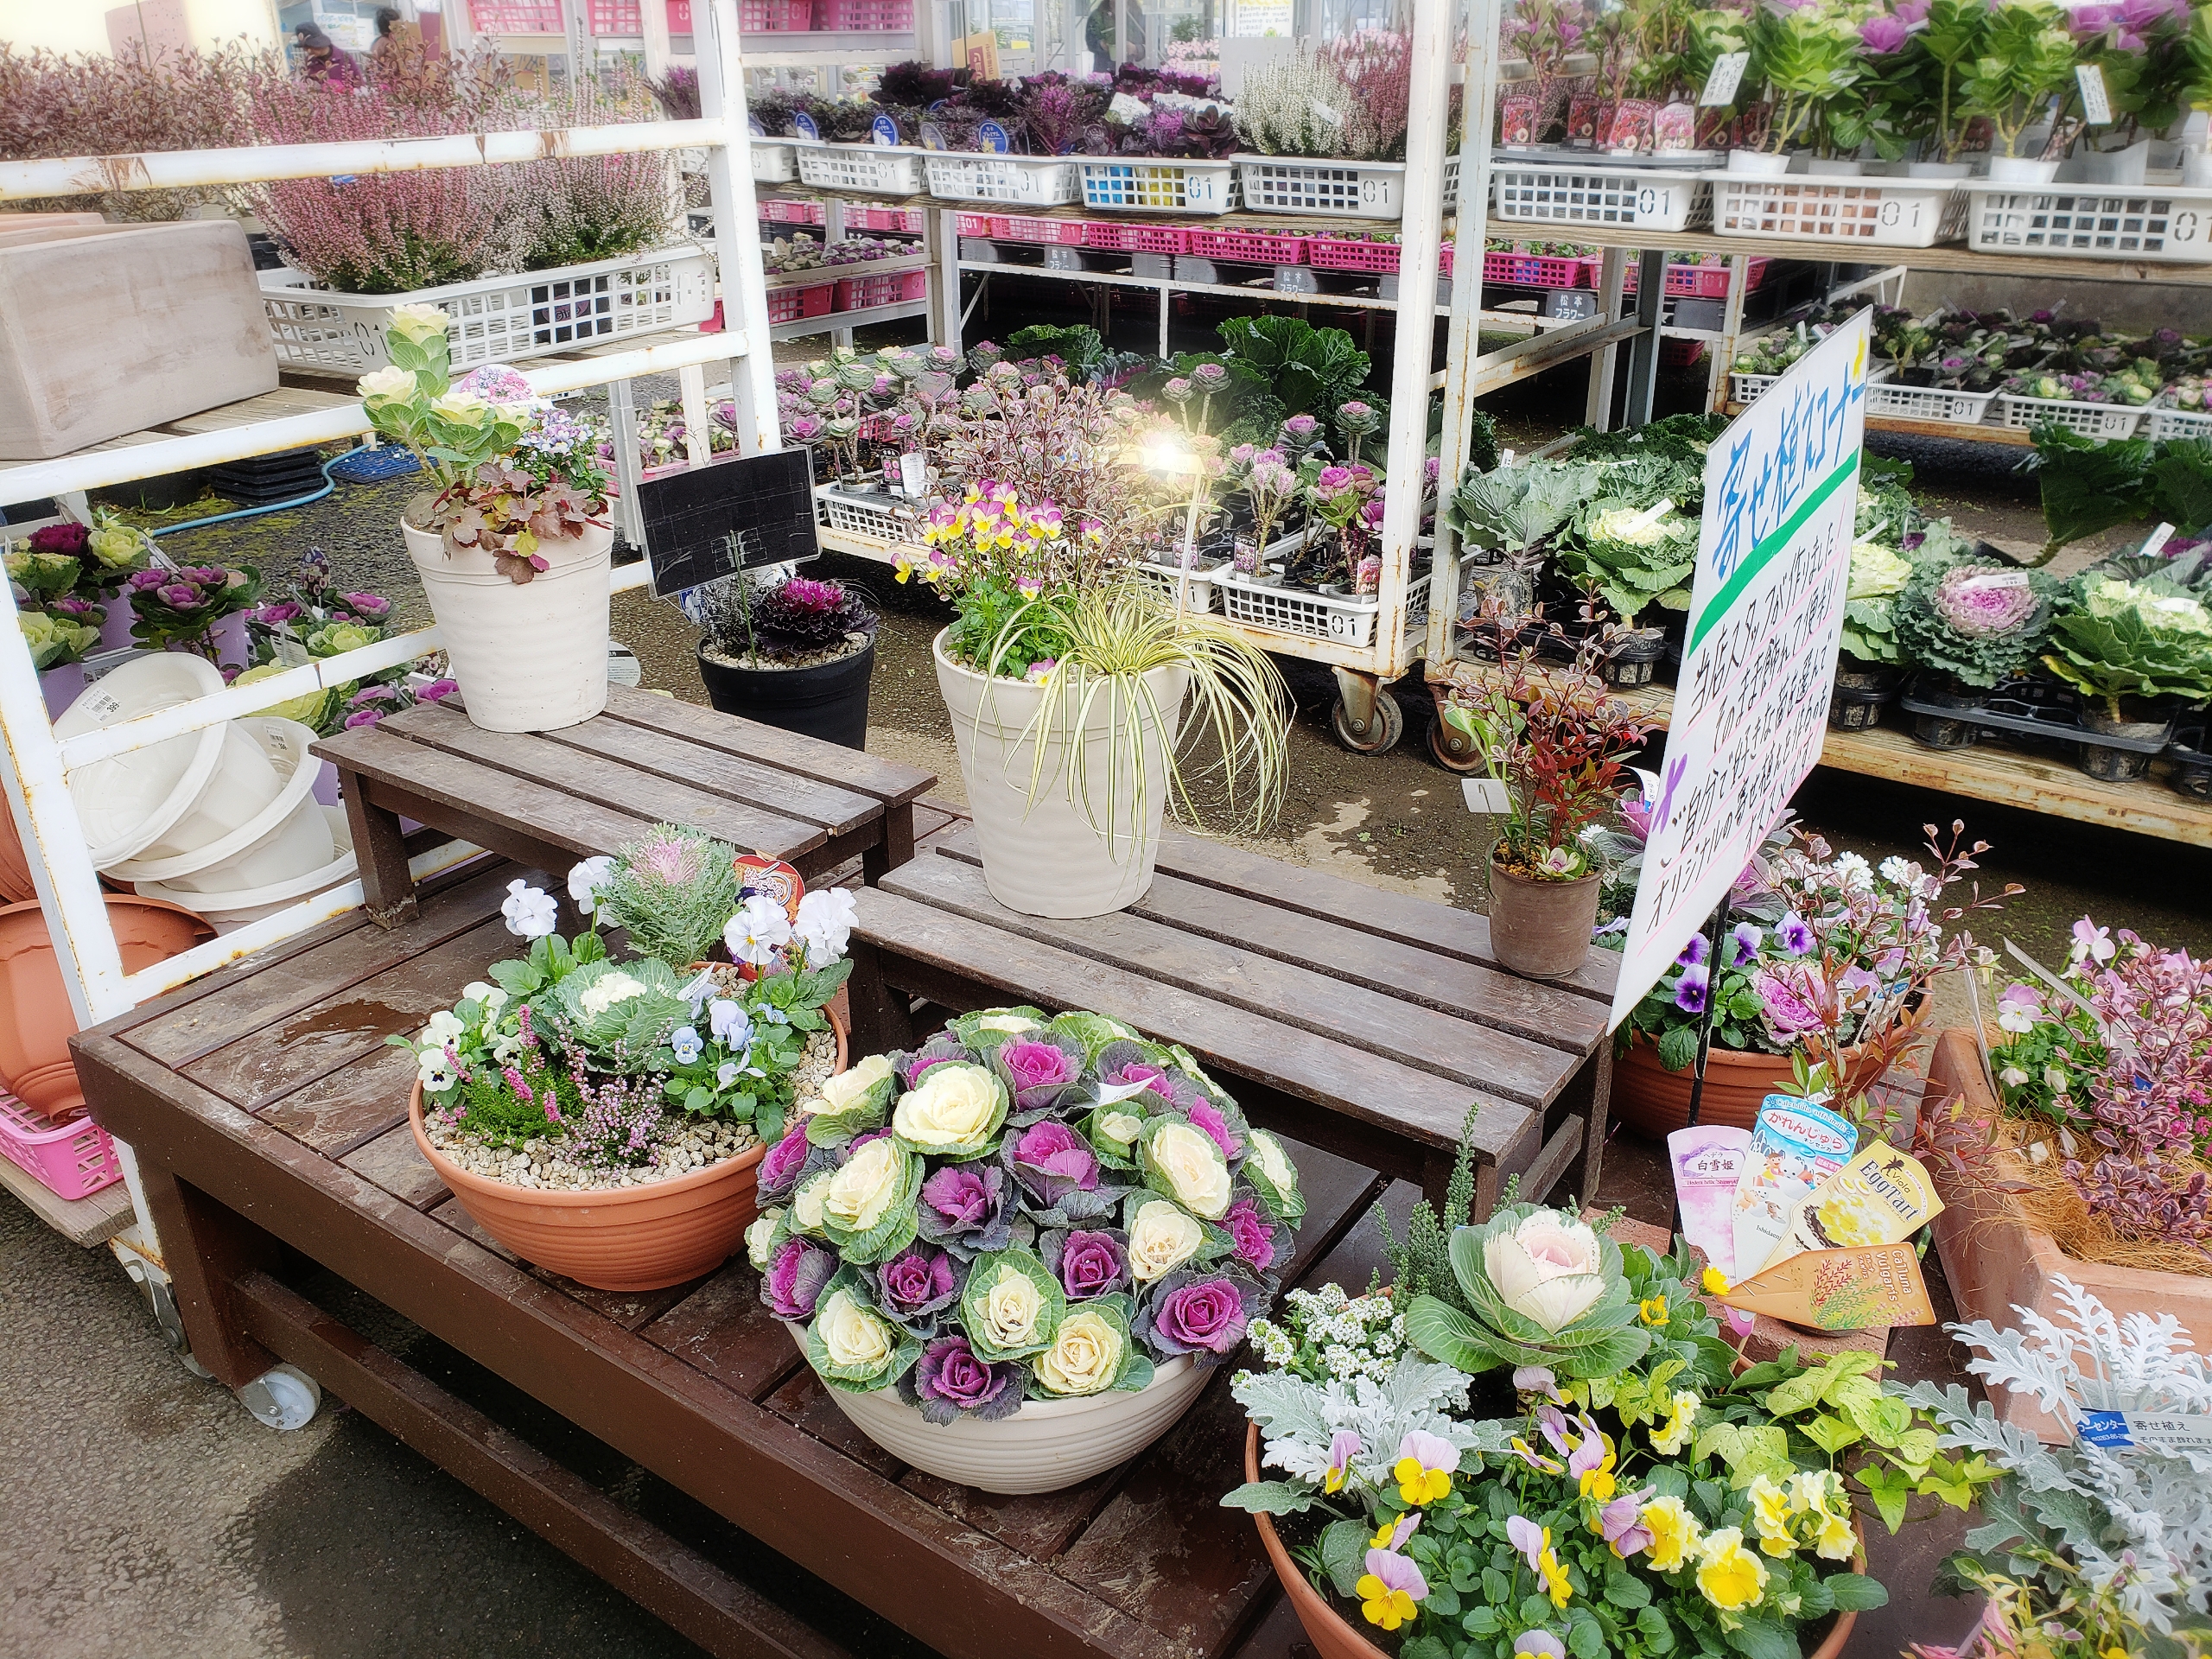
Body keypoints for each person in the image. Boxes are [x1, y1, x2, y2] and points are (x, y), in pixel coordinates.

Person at [296, 22, 363, 87]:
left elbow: (359, 83)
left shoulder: (344, 58)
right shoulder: (309, 62)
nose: (308, 51)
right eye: (305, 48)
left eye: (310, 47)